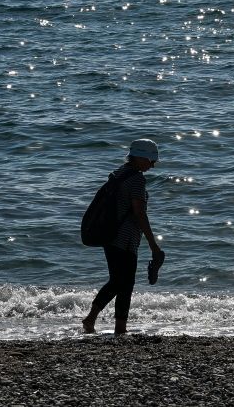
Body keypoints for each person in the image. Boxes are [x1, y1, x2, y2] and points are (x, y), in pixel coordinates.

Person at [82, 139, 164, 335]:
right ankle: (95, 320)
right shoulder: (136, 179)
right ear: (139, 157)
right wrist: (154, 245)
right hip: (124, 240)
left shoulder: (119, 173)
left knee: (120, 281)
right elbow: (139, 213)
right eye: (151, 160)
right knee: (122, 283)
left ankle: (116, 326)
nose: (152, 165)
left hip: (110, 236)